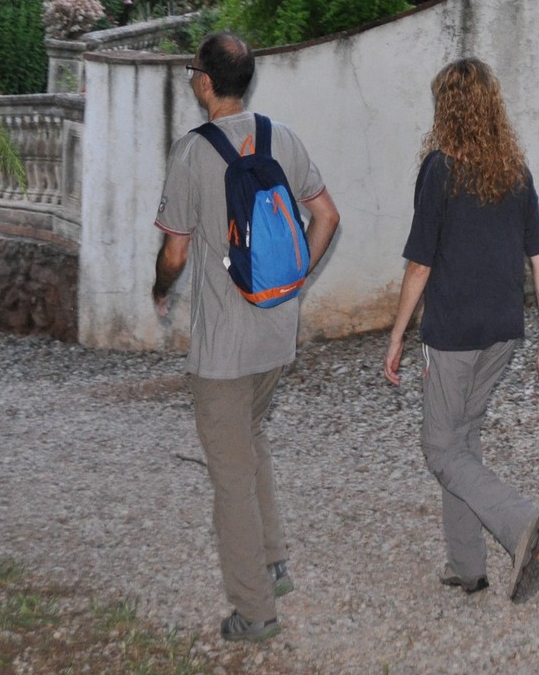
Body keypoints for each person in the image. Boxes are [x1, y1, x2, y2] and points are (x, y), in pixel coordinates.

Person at [152, 32, 340, 644]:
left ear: (206, 82)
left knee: (230, 476)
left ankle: (255, 612)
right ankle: (274, 562)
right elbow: (327, 216)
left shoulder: (191, 153)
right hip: (276, 333)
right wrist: (294, 281)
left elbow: (175, 254)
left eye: (192, 71)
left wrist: (159, 288)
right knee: (251, 438)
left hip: (223, 350)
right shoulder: (281, 137)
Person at [385, 59, 539, 603]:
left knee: (439, 448)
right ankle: (467, 566)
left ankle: (520, 523)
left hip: (454, 332)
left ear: (448, 109)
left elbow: (420, 265)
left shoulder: (439, 170)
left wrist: (396, 334)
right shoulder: (515, 170)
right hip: (503, 331)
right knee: (462, 437)